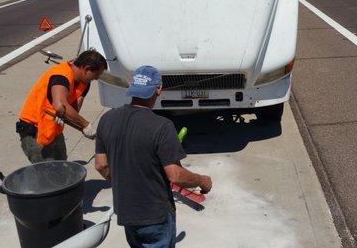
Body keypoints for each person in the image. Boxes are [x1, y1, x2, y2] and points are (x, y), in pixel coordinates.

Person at [95, 65, 212, 248]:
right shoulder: (161, 126)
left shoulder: (107, 119)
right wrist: (202, 180)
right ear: (158, 89)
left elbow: (101, 165)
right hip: (154, 215)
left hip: (126, 212)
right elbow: (175, 175)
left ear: (132, 87)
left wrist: (123, 181)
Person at [17, 50, 107, 163]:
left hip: (53, 129)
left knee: (62, 169)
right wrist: (85, 125)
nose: (97, 78)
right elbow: (60, 106)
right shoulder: (61, 76)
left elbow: (72, 112)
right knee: (47, 174)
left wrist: (68, 118)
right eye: (96, 74)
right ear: (86, 69)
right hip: (35, 131)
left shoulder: (84, 83)